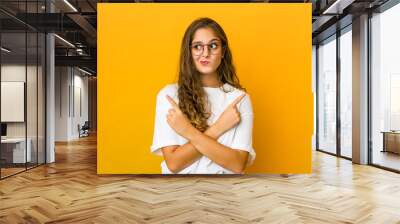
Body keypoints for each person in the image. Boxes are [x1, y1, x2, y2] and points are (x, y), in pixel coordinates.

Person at [150, 17, 255, 174]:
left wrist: (187, 131)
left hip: (225, 193)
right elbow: (174, 163)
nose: (205, 53)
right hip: (178, 192)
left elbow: (237, 164)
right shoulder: (169, 95)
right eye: (197, 46)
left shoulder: (239, 99)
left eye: (213, 46)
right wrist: (219, 128)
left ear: (223, 51)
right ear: (189, 51)